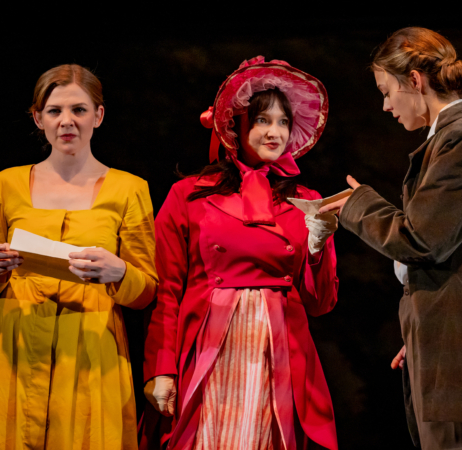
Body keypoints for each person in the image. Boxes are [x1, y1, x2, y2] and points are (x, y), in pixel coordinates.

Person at [320, 27, 462, 449]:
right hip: (452, 348)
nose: (386, 105)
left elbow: (420, 240)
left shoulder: (461, 139)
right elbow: (452, 250)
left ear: (415, 80)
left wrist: (358, 205)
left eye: (386, 91)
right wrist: (425, 326)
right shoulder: (455, 137)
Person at [139, 56, 339, 450]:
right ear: (236, 124)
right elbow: (167, 291)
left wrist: (317, 248)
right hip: (209, 347)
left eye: (283, 122)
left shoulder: (307, 201)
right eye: (263, 120)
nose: (275, 132)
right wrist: (161, 369)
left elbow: (320, 304)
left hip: (276, 354)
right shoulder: (189, 195)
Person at [0, 64, 158, 450]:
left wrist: (120, 272)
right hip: (13, 344)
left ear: (98, 116)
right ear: (39, 118)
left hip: (90, 346)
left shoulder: (129, 189)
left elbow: (147, 291)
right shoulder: (6, 182)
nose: (67, 121)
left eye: (79, 109)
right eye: (54, 111)